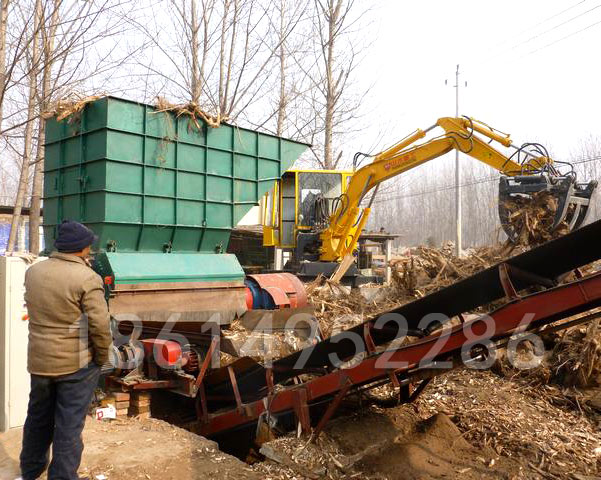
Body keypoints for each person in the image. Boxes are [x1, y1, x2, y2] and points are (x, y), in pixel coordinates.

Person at [19, 220, 111, 480]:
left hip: (39, 361)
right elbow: (100, 326)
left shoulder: (34, 272)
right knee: (69, 425)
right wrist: (101, 358)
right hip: (75, 365)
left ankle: (31, 470)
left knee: (38, 417)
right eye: (88, 246)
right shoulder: (86, 277)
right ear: (81, 249)